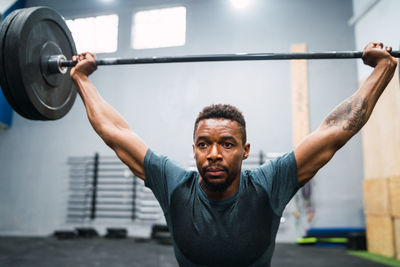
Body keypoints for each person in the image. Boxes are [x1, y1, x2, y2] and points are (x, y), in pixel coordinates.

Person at [70, 42, 397, 266]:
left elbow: (334, 131)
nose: (213, 154)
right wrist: (81, 79)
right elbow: (116, 133)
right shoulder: (174, 184)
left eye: (227, 144)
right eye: (203, 144)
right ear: (194, 150)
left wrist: (382, 69)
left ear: (245, 151)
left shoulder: (270, 183)